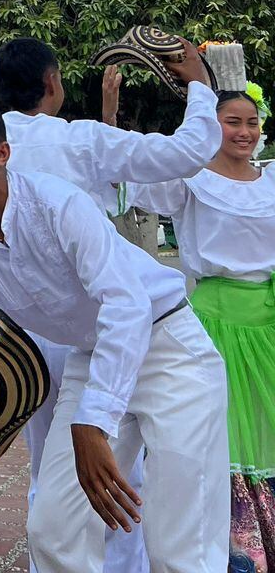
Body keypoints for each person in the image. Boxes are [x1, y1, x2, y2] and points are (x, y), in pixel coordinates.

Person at [0, 97, 229, 573]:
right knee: (55, 532)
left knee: (179, 547)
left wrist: (94, 421)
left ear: (1, 153)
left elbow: (125, 305)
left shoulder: (57, 203)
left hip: (170, 351)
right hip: (92, 357)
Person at [0, 36, 221, 573]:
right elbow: (188, 151)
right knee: (117, 481)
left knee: (56, 490)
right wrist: (200, 87)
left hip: (44, 336)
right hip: (105, 327)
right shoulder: (77, 141)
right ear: (52, 83)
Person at [130, 88, 275, 573]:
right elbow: (129, 178)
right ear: (211, 128)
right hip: (212, 320)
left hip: (269, 320)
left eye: (251, 122)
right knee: (217, 431)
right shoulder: (190, 181)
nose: (244, 132)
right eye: (232, 121)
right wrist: (110, 116)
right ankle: (235, 552)